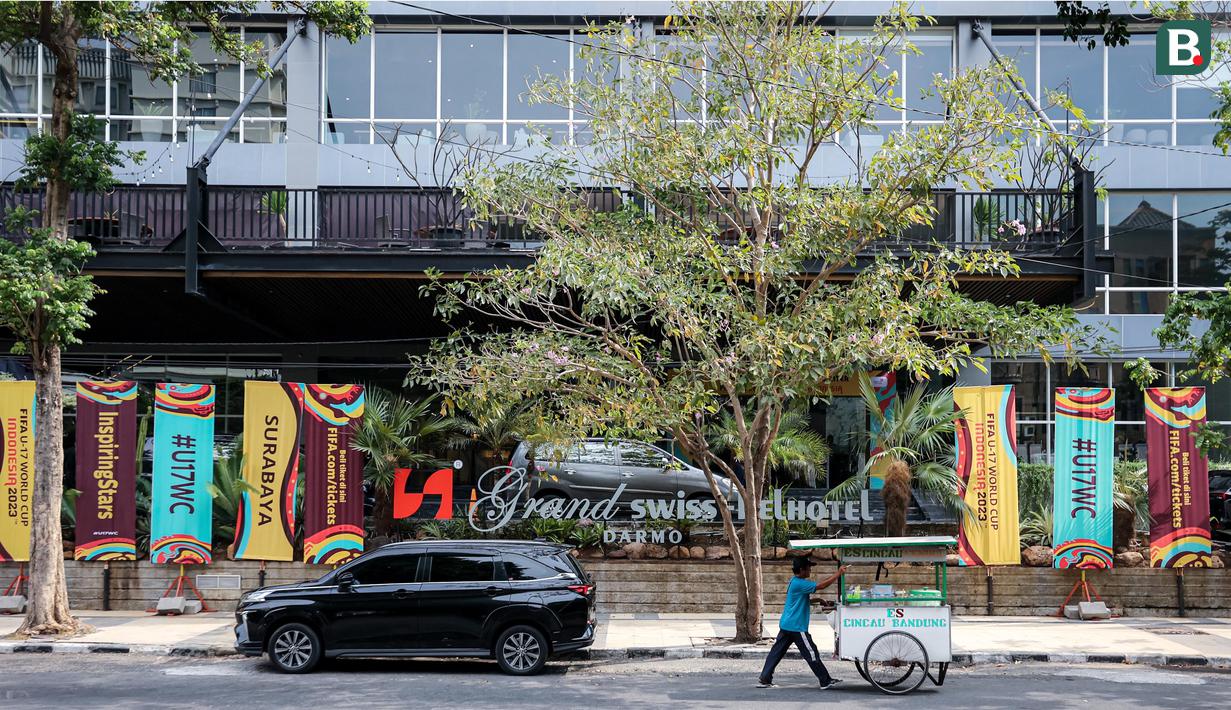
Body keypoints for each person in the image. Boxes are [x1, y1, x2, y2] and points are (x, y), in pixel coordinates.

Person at [757, 557, 849, 690]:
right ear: (801, 569)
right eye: (808, 567)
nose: (810, 569)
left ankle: (765, 678)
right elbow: (821, 586)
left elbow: (799, 599)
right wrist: (838, 573)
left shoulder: (794, 581)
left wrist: (818, 600)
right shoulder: (800, 583)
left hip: (786, 624)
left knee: (776, 652)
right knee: (811, 652)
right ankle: (825, 681)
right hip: (796, 627)